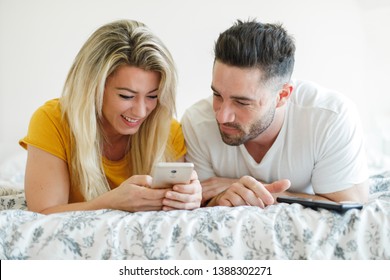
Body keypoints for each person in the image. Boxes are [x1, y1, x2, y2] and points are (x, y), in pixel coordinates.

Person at [20, 19, 202, 214]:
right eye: (127, 96)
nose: (141, 112)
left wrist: (188, 197)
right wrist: (112, 202)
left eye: (152, 96)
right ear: (93, 88)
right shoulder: (52, 121)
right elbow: (43, 215)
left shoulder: (167, 130)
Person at [181, 19, 368, 207]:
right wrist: (218, 199)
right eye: (217, 95)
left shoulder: (330, 117)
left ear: (282, 96)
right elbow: (200, 202)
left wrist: (260, 191)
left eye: (242, 102)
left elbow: (349, 204)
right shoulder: (197, 122)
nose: (222, 116)